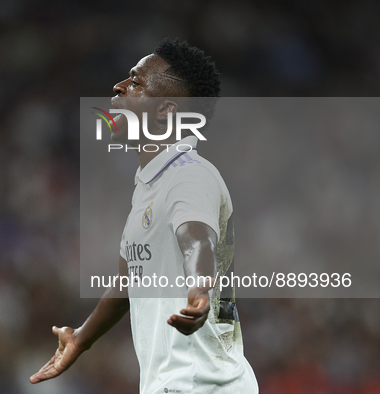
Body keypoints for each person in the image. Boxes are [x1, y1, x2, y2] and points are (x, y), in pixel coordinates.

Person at [30, 38, 258, 393]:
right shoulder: (154, 184)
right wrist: (82, 338)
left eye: (136, 82)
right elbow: (129, 282)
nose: (119, 87)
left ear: (166, 111)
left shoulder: (188, 175)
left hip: (199, 383)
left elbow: (197, 238)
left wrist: (198, 291)